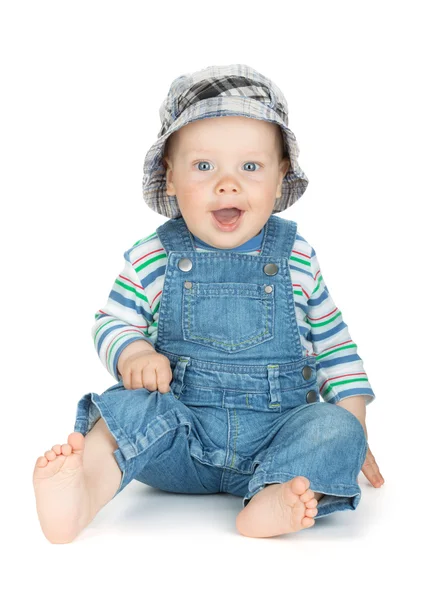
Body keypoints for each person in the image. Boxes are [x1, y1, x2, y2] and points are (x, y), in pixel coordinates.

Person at [33, 64, 384, 544]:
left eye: (251, 166)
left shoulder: (297, 257)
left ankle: (274, 497)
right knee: (129, 409)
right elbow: (110, 321)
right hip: (178, 438)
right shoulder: (153, 256)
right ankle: (83, 493)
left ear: (281, 178)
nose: (227, 183)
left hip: (275, 439)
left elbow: (333, 344)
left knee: (334, 427)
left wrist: (352, 423)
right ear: (170, 178)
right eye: (203, 167)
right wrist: (133, 353)